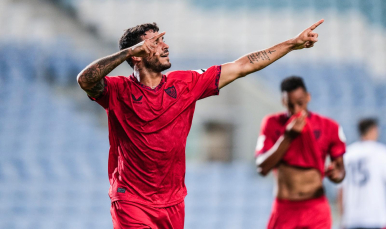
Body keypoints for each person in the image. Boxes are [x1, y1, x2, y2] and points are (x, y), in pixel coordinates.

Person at [77, 19, 324, 229]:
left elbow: (242, 66)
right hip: (131, 200)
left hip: (173, 203)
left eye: (163, 40)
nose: (165, 46)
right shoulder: (118, 90)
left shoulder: (186, 83)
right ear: (138, 54)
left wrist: (292, 44)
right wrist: (127, 52)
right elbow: (86, 80)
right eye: (156, 42)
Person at [255, 76, 346, 229]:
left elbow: (340, 170)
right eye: (291, 105)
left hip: (316, 209)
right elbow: (262, 168)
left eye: (300, 103)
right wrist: (287, 137)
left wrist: (337, 175)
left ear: (308, 97)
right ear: (284, 102)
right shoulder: (272, 123)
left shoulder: (329, 127)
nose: (297, 110)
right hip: (285, 209)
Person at [338, 118, 386, 229]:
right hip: (375, 217)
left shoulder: (347, 153)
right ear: (374, 130)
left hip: (351, 218)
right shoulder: (381, 153)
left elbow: (341, 190)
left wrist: (343, 218)